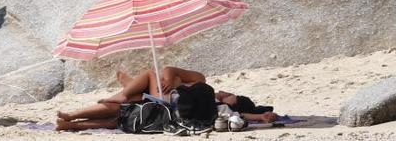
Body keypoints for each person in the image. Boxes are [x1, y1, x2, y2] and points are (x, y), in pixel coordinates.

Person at [55, 67, 279, 131]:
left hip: (166, 102)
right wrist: (172, 82)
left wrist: (260, 116)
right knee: (128, 106)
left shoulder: (221, 105)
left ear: (233, 102)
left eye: (230, 95)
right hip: (163, 98)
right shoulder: (202, 83)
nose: (225, 92)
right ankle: (127, 89)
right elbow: (169, 69)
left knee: (125, 107)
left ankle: (124, 90)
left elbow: (241, 114)